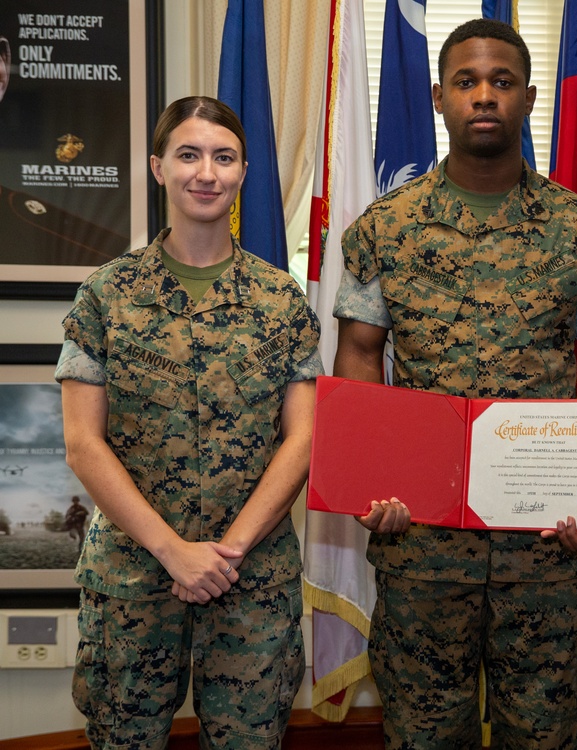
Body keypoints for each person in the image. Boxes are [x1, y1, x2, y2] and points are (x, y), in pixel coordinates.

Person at [332, 19, 577, 749]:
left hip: (547, 547)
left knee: (545, 736)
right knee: (424, 737)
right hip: (422, 546)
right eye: (466, 82)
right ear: (438, 97)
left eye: (501, 82)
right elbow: (359, 353)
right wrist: (372, 484)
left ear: (529, 97)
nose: (484, 96)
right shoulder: (386, 229)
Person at [56, 96, 322, 749]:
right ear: (158, 167)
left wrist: (225, 553)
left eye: (223, 157)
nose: (206, 171)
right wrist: (174, 552)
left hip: (250, 578)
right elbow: (83, 444)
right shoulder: (106, 295)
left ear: (243, 172)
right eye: (189, 154)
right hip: (133, 580)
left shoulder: (281, 298)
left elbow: (305, 437)